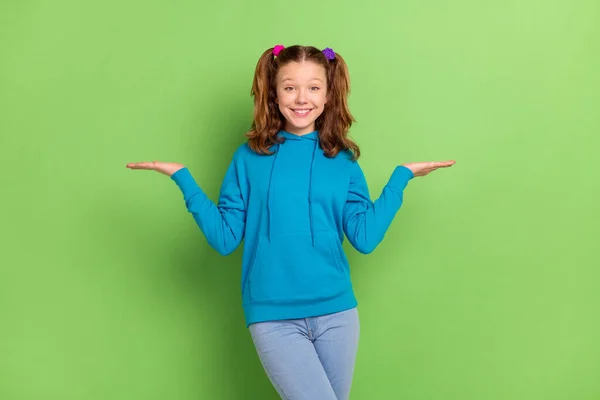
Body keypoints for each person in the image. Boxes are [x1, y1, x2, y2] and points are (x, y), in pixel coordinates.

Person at [126, 44, 455, 400]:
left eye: (314, 87)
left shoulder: (343, 160)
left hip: (338, 315)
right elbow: (224, 238)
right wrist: (183, 179)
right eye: (289, 87)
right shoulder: (248, 158)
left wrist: (400, 178)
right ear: (274, 93)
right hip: (273, 316)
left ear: (328, 95)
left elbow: (365, 236)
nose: (302, 98)